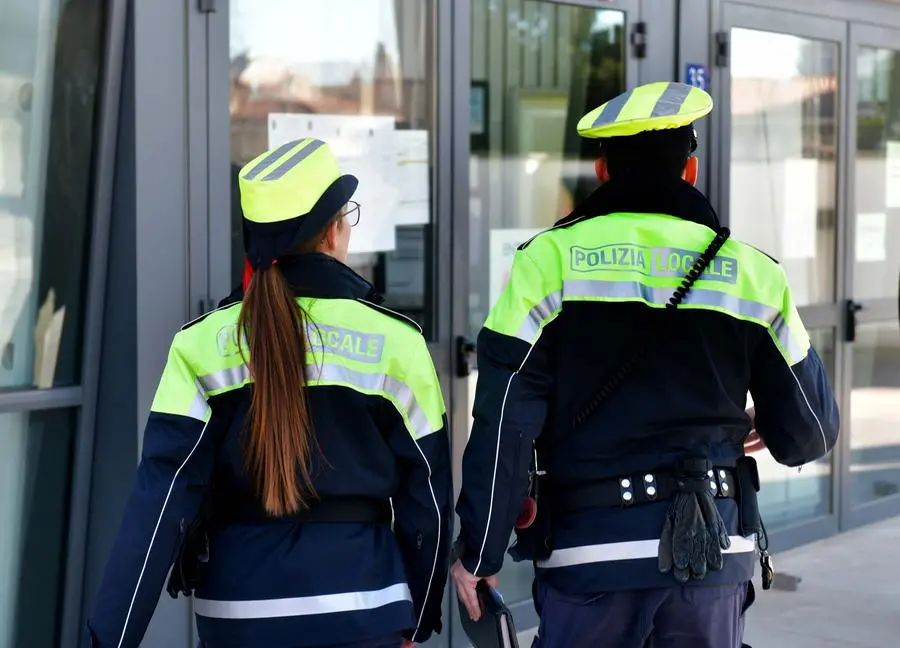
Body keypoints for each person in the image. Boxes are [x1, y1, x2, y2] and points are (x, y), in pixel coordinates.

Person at [451, 82, 840, 648]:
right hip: (712, 554)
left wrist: (480, 552)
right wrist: (766, 422)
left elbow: (504, 422)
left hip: (591, 555)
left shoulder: (547, 261)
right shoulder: (753, 272)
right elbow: (810, 433)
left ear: (603, 170)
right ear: (691, 170)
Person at [87, 138, 452, 648]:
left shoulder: (198, 347)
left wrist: (108, 639)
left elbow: (157, 505)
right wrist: (419, 611)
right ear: (331, 231)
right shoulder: (397, 341)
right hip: (364, 609)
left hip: (238, 615)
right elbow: (427, 500)